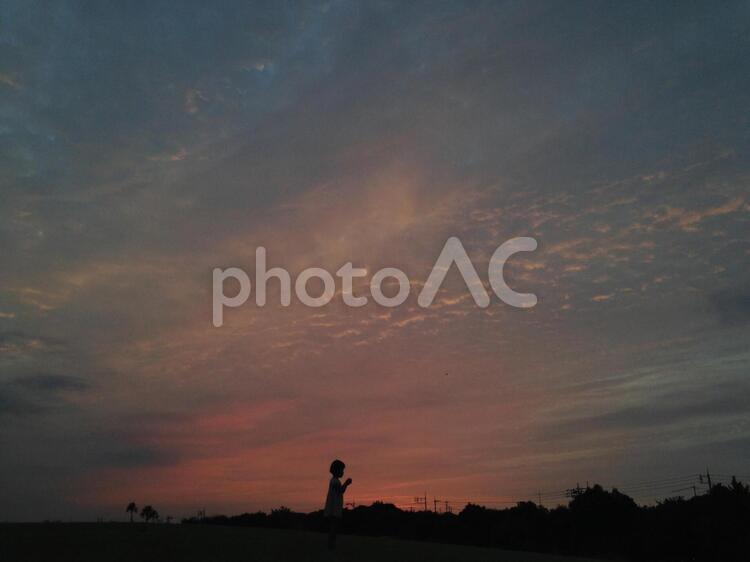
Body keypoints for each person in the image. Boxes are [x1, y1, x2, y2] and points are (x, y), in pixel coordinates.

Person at [324, 459, 352, 550]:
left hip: (334, 508)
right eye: (341, 470)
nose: (342, 472)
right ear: (337, 470)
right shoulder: (335, 481)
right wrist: (346, 484)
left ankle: (331, 545)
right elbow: (341, 491)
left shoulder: (334, 481)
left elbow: (340, 491)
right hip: (334, 508)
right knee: (333, 527)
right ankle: (331, 545)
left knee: (334, 527)